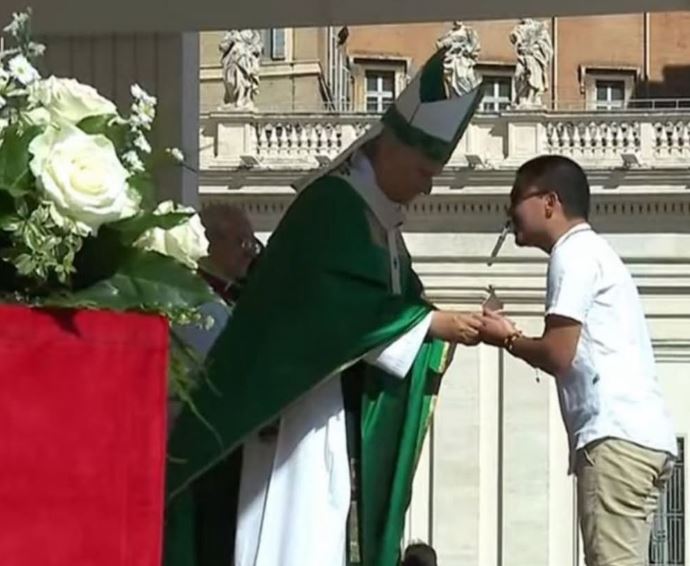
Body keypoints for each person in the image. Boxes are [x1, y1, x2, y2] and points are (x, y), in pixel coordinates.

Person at [164, 46, 485, 566]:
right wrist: (432, 325)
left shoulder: (382, 222)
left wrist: (437, 324)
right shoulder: (332, 208)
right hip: (297, 406)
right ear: (392, 149)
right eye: (424, 170)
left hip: (340, 407)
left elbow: (400, 303)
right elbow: (331, 307)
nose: (427, 187)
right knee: (299, 529)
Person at [480, 155, 677, 566]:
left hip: (614, 436)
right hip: (643, 437)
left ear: (549, 202)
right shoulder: (597, 253)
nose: (509, 213)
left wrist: (508, 338)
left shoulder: (572, 254)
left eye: (516, 199)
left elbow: (558, 353)